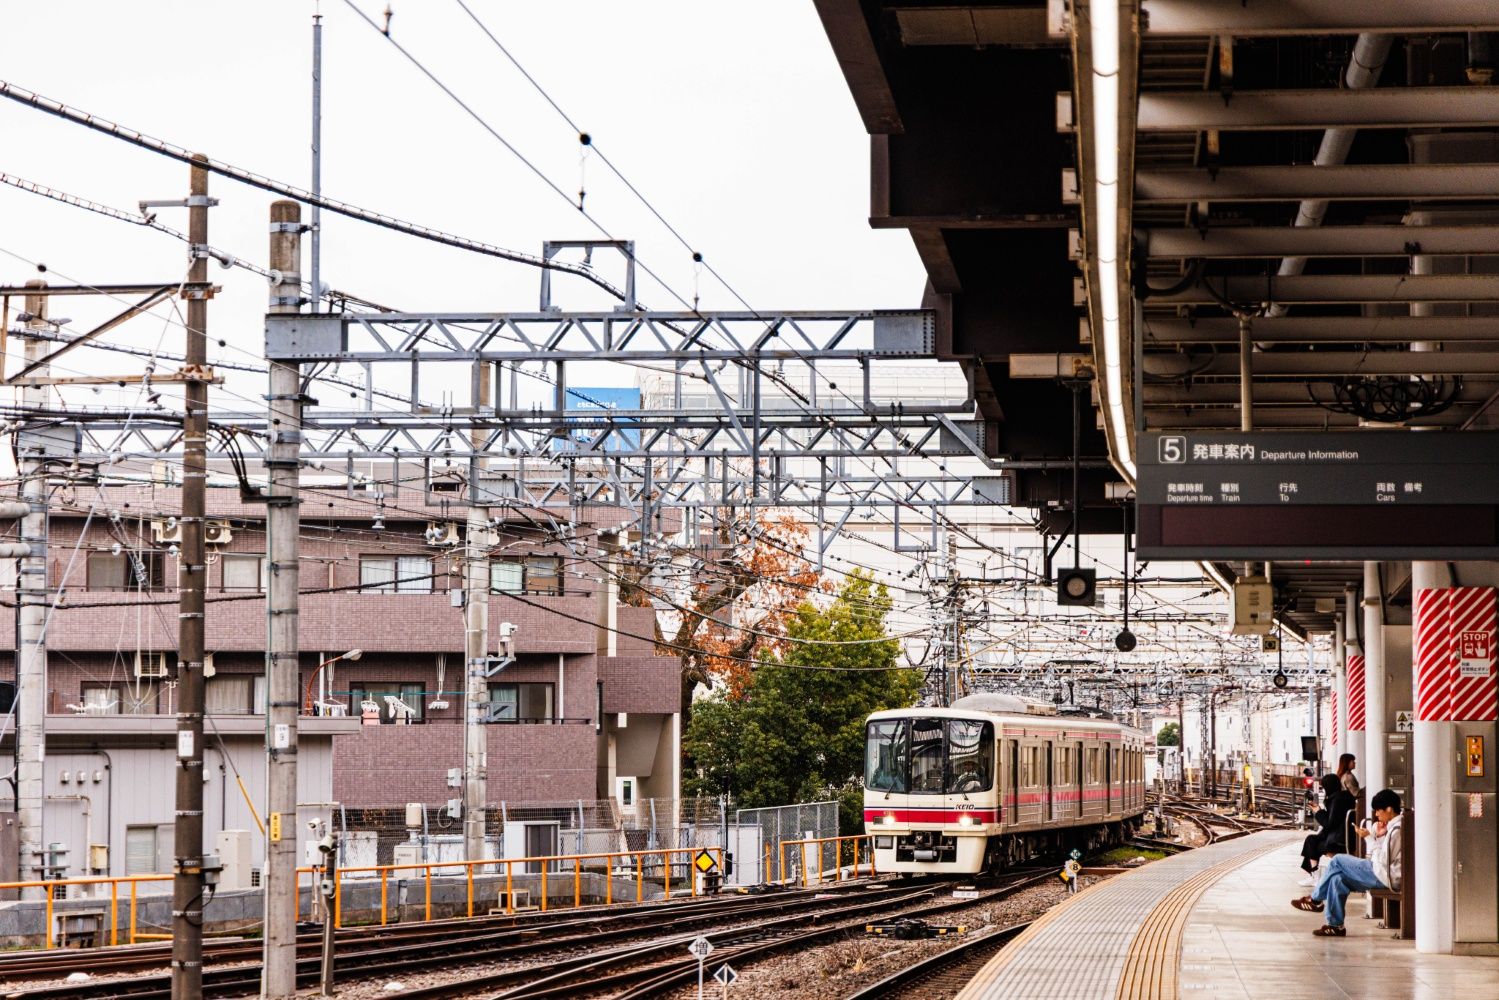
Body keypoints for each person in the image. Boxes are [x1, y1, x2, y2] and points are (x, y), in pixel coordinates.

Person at [1291, 788, 1403, 937]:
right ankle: (1335, 926)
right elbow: (1385, 855)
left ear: (1389, 809)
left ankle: (1316, 899)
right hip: (1384, 873)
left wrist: (1369, 838)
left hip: (1384, 875)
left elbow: (1382, 860)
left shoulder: (1397, 830)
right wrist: (1377, 834)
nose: (1376, 815)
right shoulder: (1393, 827)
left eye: (1378, 811)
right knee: (1338, 879)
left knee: (1337, 860)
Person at [1297, 774, 1354, 885]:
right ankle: (1314, 875)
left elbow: (1329, 823)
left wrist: (1318, 811)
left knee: (1312, 842)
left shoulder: (1337, 800)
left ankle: (1315, 877)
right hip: (1343, 836)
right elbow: (1333, 820)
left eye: (1324, 787)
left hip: (1337, 841)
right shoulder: (1344, 797)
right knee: (1311, 840)